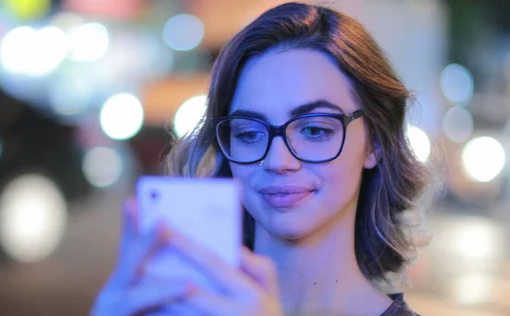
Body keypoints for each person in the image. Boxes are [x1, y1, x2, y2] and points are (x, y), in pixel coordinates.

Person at [92, 2, 433, 315]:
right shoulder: (178, 306)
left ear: (374, 143)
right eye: (249, 133)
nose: (278, 160)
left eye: (314, 130)